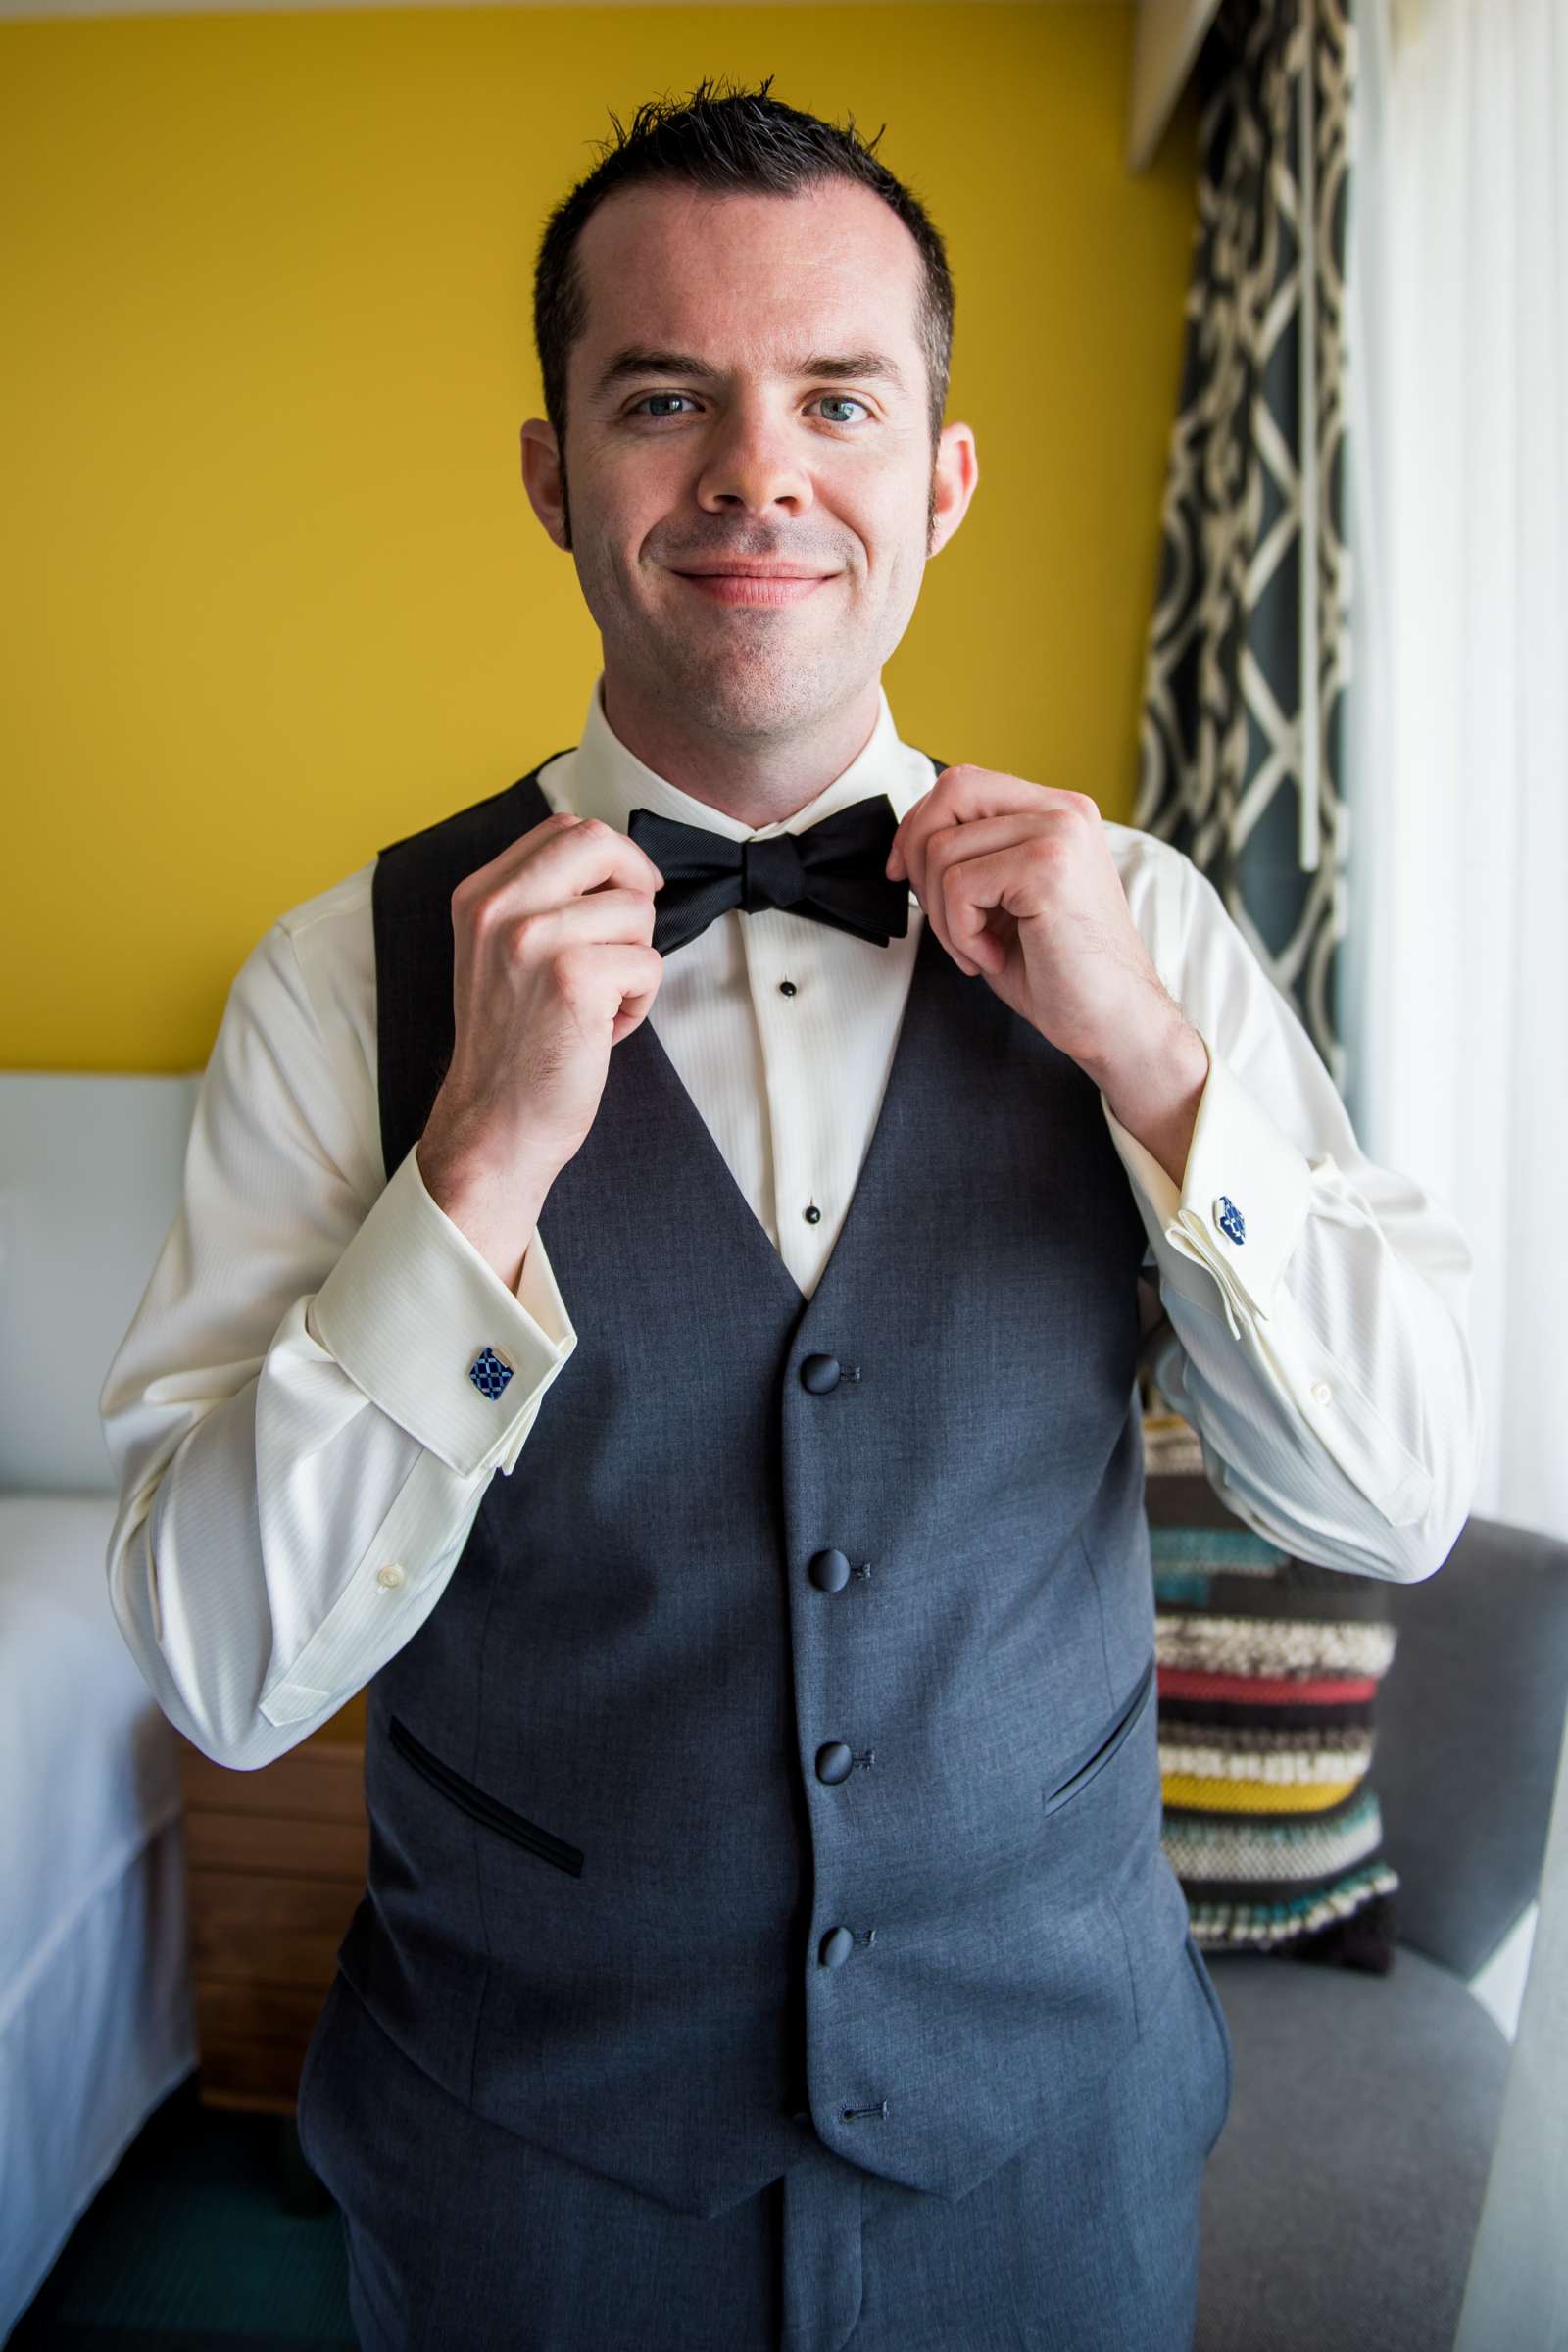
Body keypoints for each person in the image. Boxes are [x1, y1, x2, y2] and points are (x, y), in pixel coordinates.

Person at [100, 74, 1483, 2352]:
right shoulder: (332, 981)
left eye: (835, 397)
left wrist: (1150, 1063)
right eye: (666, 398)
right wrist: (478, 1166)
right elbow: (222, 1674)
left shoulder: (1142, 929)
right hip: (522, 2191)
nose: (757, 472)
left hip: (1046, 2168)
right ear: (553, 472)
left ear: (934, 474)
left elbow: (1397, 1492)